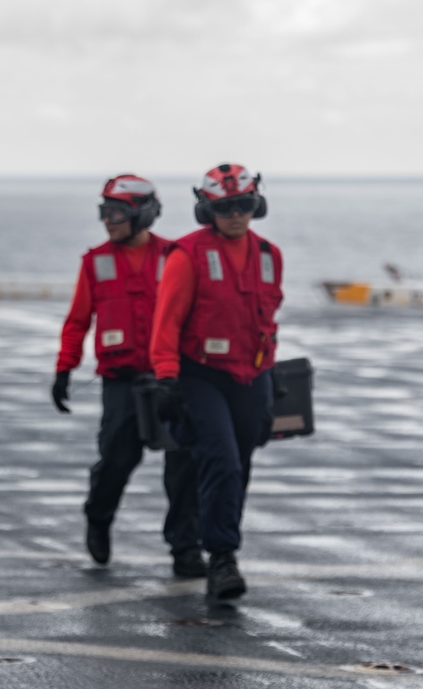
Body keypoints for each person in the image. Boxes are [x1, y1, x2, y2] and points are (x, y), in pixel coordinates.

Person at [52, 175, 204, 577]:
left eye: (116, 213)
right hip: (123, 382)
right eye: (104, 213)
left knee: (184, 464)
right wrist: (64, 368)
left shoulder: (177, 257)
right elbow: (78, 321)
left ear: (142, 214)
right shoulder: (96, 262)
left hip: (173, 378)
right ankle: (98, 517)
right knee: (117, 460)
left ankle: (185, 549)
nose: (108, 221)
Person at [149, 163, 282, 603]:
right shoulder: (186, 256)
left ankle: (199, 541)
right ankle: (222, 557)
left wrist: (272, 375)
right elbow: (165, 324)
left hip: (251, 377)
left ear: (255, 204)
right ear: (208, 209)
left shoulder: (269, 255)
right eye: (225, 208)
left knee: (236, 465)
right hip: (199, 375)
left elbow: (266, 323)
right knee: (221, 461)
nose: (236, 215)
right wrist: (166, 378)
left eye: (244, 205)